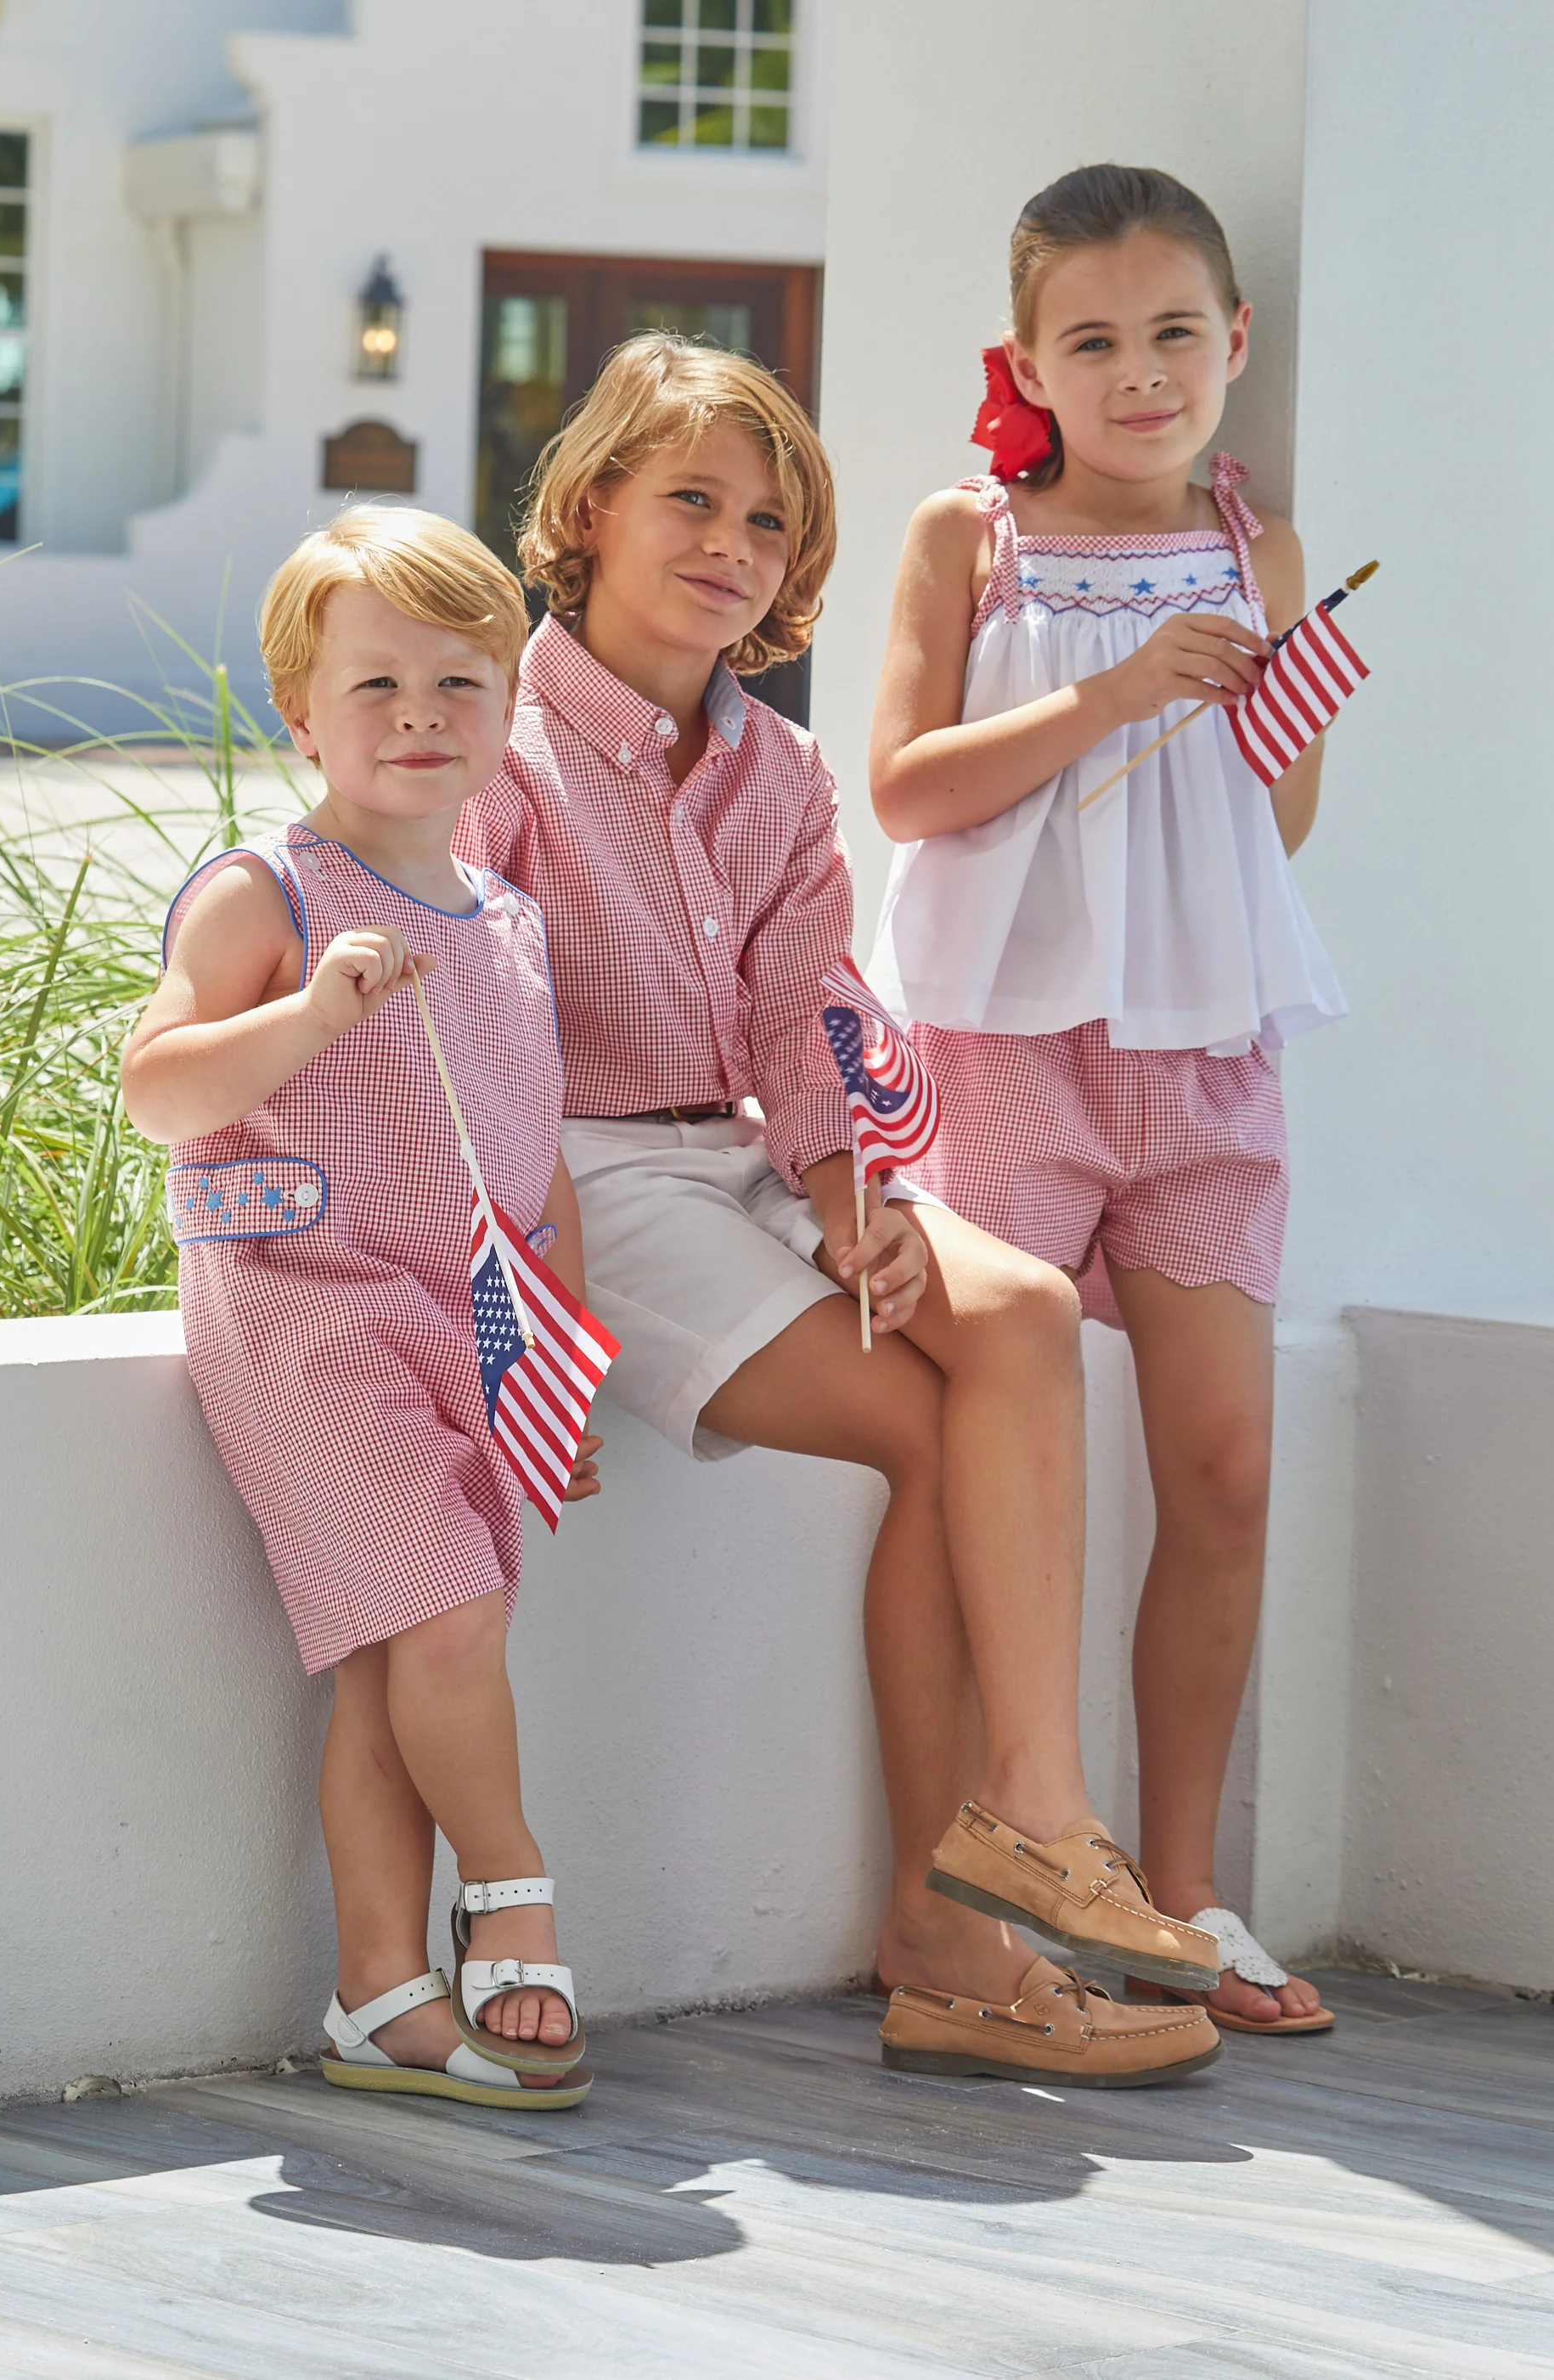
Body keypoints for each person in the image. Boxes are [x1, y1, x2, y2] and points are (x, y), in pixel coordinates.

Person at [457, 332, 1222, 2087]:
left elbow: (812, 1018)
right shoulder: (496, 743)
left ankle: (1031, 1813)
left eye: (773, 521)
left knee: (1017, 1305)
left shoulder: (782, 781)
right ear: (590, 509)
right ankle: (943, 1943)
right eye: (693, 502)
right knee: (933, 1437)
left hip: (745, 1158)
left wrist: (850, 1195)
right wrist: (515, 1290)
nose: (734, 545)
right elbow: (458, 1024)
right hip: (589, 1186)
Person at [867, 165, 1344, 2037]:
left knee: (1222, 1469)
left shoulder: (1265, 545)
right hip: (1008, 1051)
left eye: (1172, 334)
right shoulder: (968, 537)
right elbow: (903, 789)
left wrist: (1256, 715)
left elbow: (1281, 824)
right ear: (1031, 362)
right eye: (1094, 339)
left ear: (1232, 345)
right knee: (1008, 1440)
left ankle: (1183, 1891)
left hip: (1209, 1051)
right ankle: (1010, 1877)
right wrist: (1117, 689)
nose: (1138, 372)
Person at [122, 507, 602, 2109]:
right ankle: (513, 1879)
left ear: (507, 708)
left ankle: (380, 1988)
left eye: (460, 685)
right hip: (304, 1312)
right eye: (377, 683)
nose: (418, 717)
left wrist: (564, 1355)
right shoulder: (271, 892)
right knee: (447, 1619)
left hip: (461, 1332)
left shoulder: (510, 921)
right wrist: (313, 1010)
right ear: (299, 713)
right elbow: (156, 1084)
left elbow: (537, 1166)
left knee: (402, 1662)